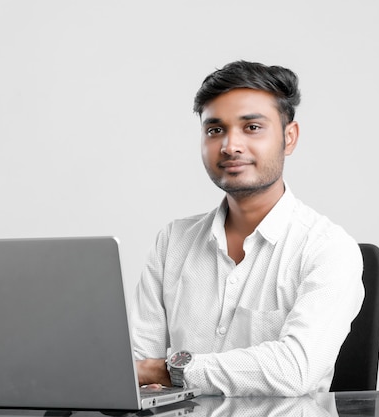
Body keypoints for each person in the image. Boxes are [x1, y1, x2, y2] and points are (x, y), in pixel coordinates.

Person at [131, 60, 365, 397]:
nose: (230, 145)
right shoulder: (173, 242)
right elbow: (138, 369)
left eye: (252, 127)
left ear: (289, 137)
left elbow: (295, 369)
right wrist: (154, 372)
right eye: (215, 130)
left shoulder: (328, 248)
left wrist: (171, 370)